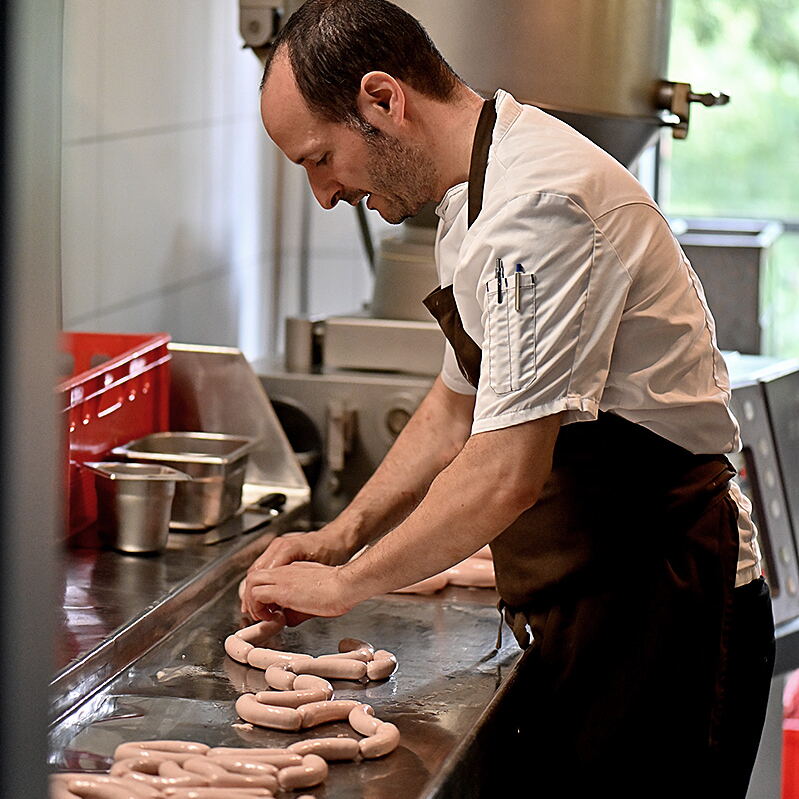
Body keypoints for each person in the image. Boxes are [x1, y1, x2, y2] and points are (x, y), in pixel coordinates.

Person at [241, 0, 775, 794]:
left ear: (384, 100)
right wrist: (339, 534)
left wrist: (348, 585)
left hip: (663, 609)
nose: (324, 193)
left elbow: (504, 471)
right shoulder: (475, 194)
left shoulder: (536, 206)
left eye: (319, 159)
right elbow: (456, 404)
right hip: (594, 602)